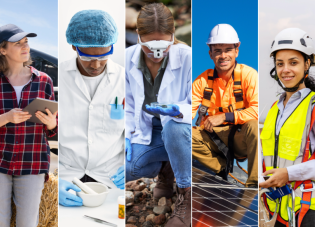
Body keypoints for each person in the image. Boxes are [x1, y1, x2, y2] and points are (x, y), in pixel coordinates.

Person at [125, 3, 191, 226]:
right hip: (149, 131)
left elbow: (201, 106)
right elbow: (127, 105)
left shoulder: (188, 57)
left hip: (182, 131)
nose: (157, 54)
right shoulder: (127, 58)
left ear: (173, 36)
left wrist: (179, 110)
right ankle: (167, 167)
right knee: (128, 167)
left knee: (174, 127)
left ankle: (186, 193)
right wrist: (124, 134)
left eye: (164, 45)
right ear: (138, 36)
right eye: (149, 46)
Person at [58, 10, 125, 207]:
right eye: (87, 57)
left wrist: (130, 162)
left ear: (112, 46)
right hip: (67, 175)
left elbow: (137, 127)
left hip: (111, 176)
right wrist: (51, 178)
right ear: (74, 47)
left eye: (103, 56)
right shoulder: (57, 77)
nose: (96, 65)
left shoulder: (126, 79)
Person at [0, 24, 57, 227]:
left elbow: (53, 127)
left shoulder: (44, 81)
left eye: (26, 42)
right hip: (0, 161)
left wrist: (52, 123)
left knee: (27, 223)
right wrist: (6, 117)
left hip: (32, 161)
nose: (25, 47)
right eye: (18, 43)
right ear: (2, 49)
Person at [259, 28, 315, 227]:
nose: (285, 70)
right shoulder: (274, 109)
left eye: (293, 62)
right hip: (283, 208)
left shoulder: (313, 106)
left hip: (310, 211)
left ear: (307, 63)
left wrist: (289, 175)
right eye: (280, 63)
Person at [192, 24, 258, 187]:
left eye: (228, 50)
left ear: (237, 50)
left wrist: (225, 116)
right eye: (217, 51)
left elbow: (256, 110)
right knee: (181, 132)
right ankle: (221, 168)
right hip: (213, 140)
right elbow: (186, 112)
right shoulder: (202, 80)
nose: (223, 56)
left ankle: (254, 183)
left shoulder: (248, 75)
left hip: (240, 138)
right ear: (210, 54)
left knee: (254, 126)